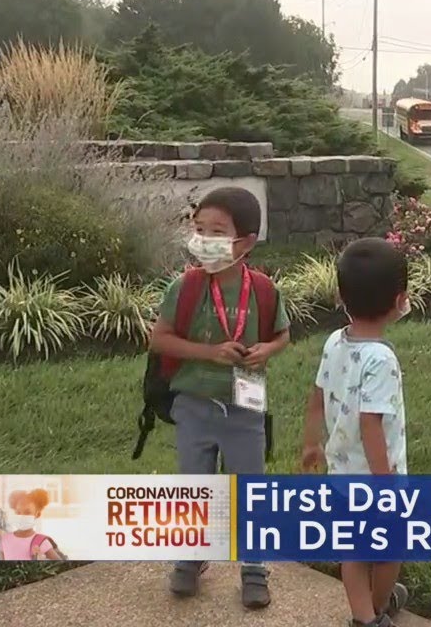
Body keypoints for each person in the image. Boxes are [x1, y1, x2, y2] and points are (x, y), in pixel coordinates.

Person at [149, 186, 291, 608]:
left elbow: (283, 334)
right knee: (195, 485)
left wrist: (269, 349)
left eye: (217, 231)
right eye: (199, 229)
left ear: (245, 243)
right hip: (193, 405)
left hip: (245, 408)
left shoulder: (264, 290)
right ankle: (191, 559)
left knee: (250, 489)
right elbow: (159, 340)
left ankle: (254, 568)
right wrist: (209, 353)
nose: (203, 239)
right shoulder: (185, 287)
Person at [301, 238, 412, 627]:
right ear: (400, 300)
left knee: (353, 551)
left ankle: (363, 612)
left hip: (342, 476)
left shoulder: (335, 342)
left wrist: (311, 443)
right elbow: (371, 425)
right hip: (377, 480)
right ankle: (375, 612)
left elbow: (316, 397)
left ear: (341, 296)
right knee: (390, 548)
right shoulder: (381, 359)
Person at [0, 489, 65, 561]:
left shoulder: (41, 542)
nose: (22, 516)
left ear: (37, 514)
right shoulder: (4, 539)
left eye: (27, 512)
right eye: (18, 512)